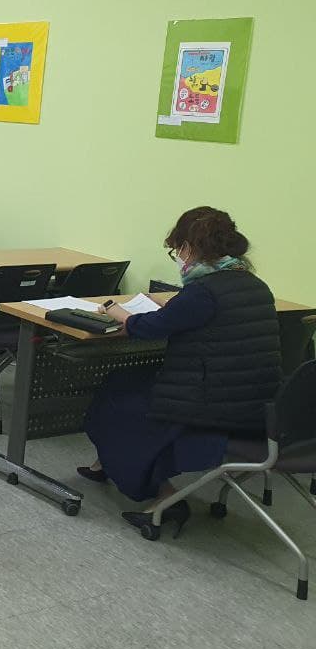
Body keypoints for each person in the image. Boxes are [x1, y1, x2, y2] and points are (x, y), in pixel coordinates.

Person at [80, 206, 280, 536]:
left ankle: (163, 495)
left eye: (177, 249)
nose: (178, 257)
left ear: (190, 247)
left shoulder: (203, 292)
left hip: (213, 405)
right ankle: (106, 464)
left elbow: (151, 328)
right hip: (260, 405)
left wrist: (118, 312)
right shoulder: (252, 284)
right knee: (125, 382)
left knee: (116, 399)